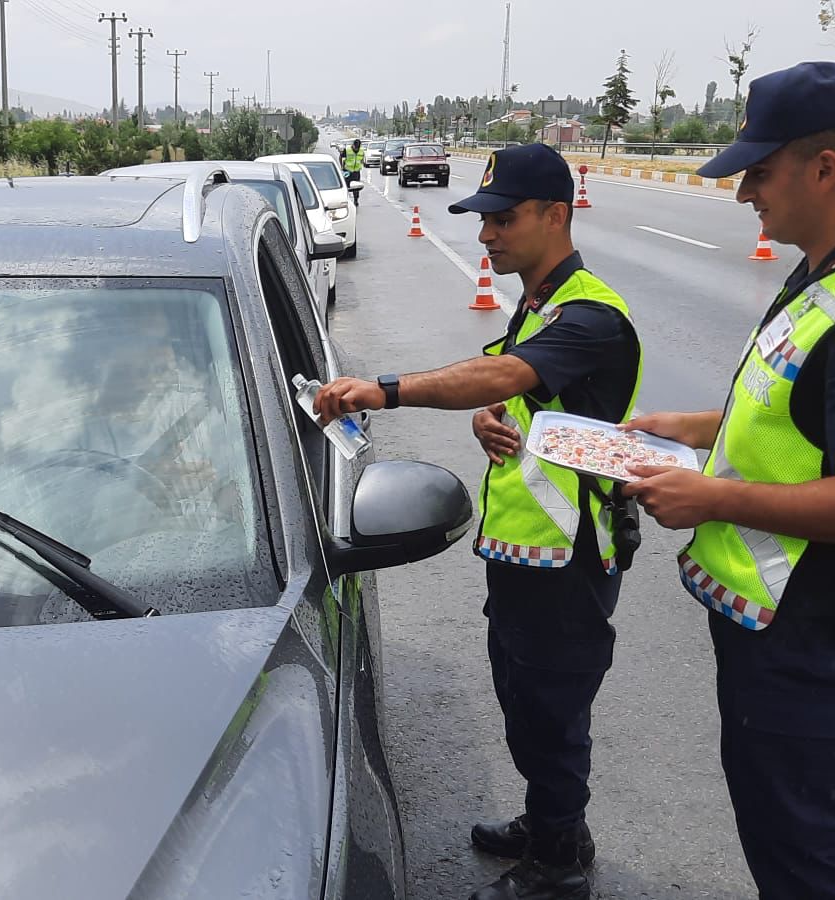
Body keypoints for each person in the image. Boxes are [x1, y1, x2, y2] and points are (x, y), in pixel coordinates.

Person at [621, 61, 835, 900]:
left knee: (810, 859)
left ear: (826, 169)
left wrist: (710, 495)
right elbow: (802, 421)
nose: (745, 194)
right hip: (776, 624)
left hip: (808, 628)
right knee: (781, 840)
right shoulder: (832, 274)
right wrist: (693, 430)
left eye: (759, 172)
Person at [314, 143, 642, 900]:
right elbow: (514, 391)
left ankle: (559, 865)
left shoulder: (590, 312)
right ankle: (552, 819)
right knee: (526, 703)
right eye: (482, 218)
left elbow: (500, 373)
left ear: (555, 215)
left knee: (552, 711)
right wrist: (487, 421)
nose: (486, 234)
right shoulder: (539, 303)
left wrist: (383, 390)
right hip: (526, 553)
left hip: (569, 559)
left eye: (502, 218)